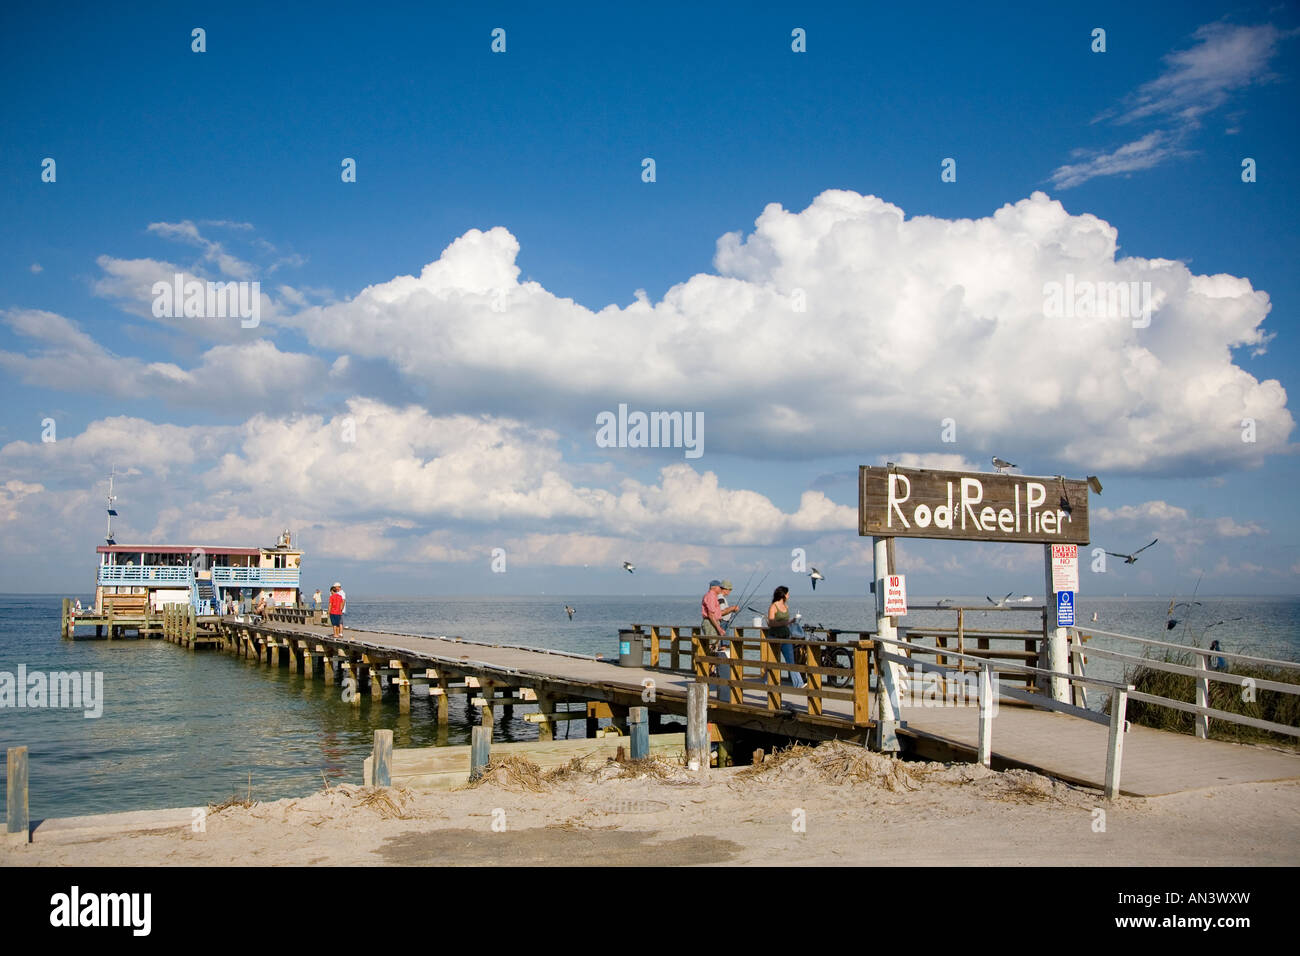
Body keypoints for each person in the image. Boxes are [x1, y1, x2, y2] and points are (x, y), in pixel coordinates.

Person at [766, 585, 806, 688]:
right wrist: (785, 622)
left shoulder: (786, 606)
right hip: (774, 637)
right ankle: (768, 681)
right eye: (787, 593)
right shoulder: (773, 606)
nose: (789, 595)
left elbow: (787, 622)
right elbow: (770, 623)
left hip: (786, 636)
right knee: (773, 660)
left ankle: (798, 683)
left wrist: (794, 622)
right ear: (783, 594)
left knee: (790, 661)